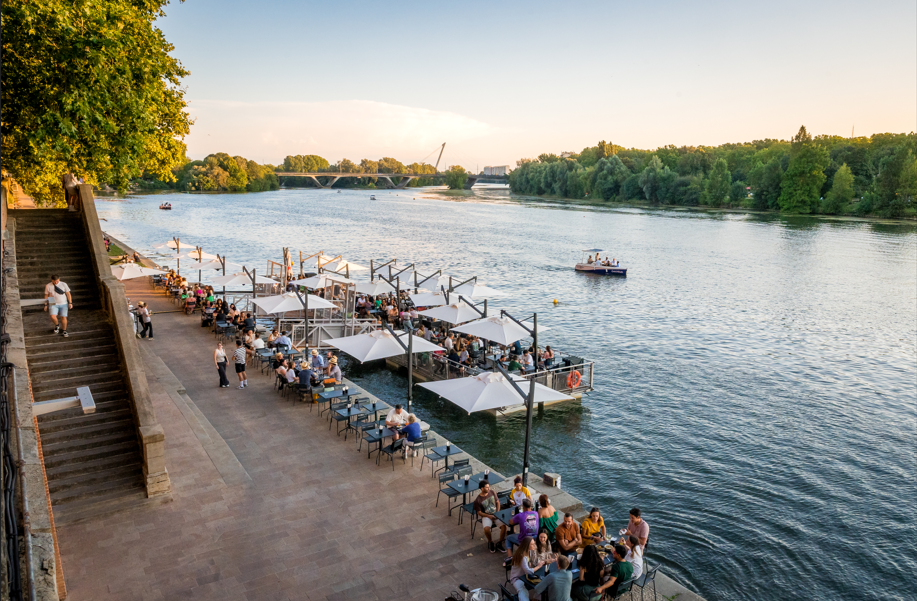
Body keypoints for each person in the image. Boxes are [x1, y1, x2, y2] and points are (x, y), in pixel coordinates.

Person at [474, 481, 507, 553]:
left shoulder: (492, 492)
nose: (489, 488)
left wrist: (497, 512)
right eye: (487, 487)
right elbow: (479, 512)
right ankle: (491, 542)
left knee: (504, 527)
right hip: (486, 516)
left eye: (489, 487)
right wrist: (488, 516)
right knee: (486, 529)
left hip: (496, 513)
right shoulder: (478, 500)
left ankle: (500, 543)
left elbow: (498, 502)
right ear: (482, 489)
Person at [509, 536, 544, 601]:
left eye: (534, 543)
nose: (534, 545)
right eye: (532, 544)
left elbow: (534, 561)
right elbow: (528, 571)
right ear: (527, 546)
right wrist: (539, 566)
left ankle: (535, 599)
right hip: (517, 578)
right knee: (523, 590)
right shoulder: (522, 556)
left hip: (526, 576)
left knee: (541, 584)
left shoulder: (529, 551)